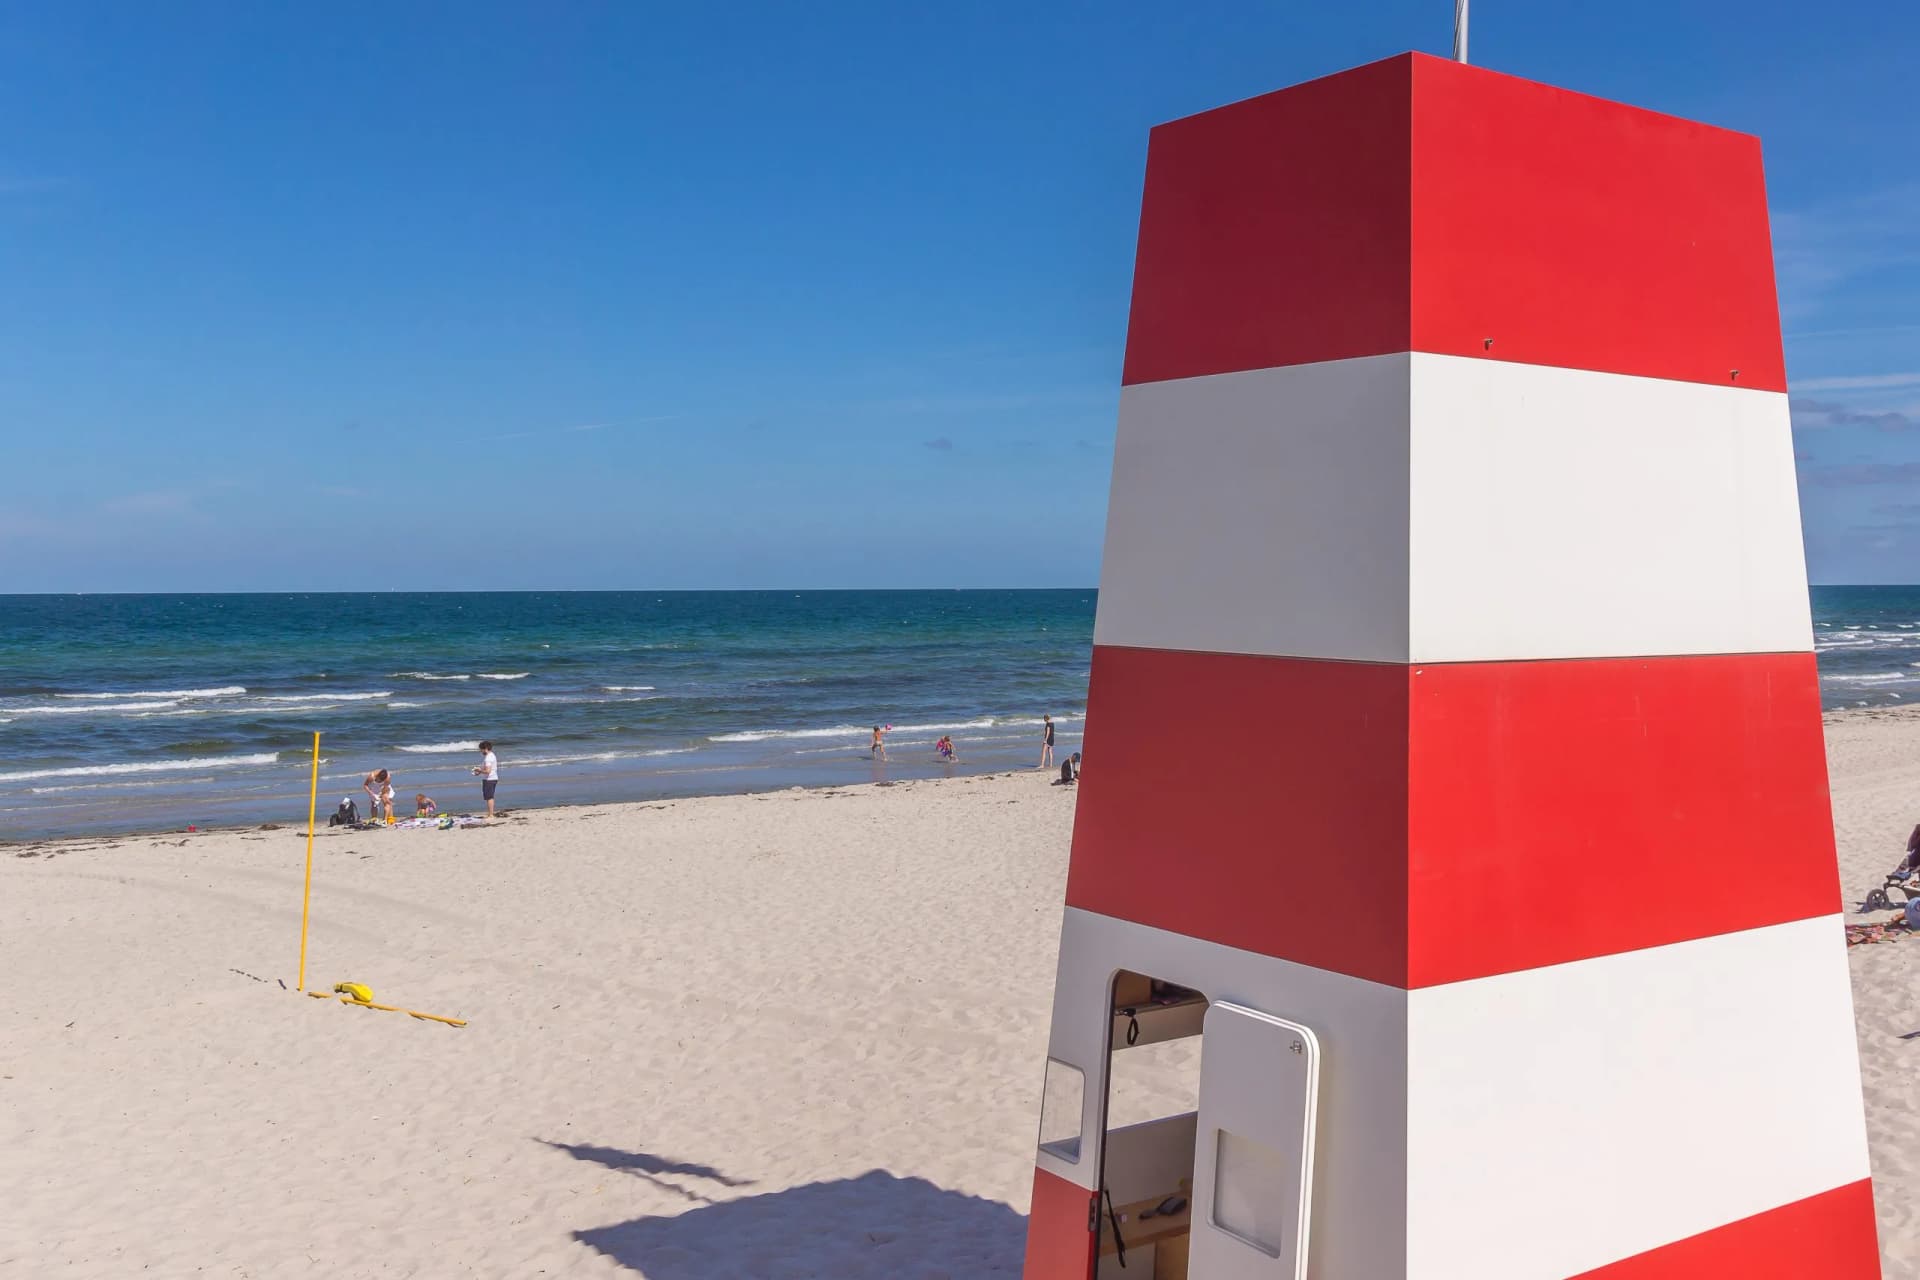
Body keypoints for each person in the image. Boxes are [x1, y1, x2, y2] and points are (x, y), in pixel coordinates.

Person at [471, 740, 499, 819]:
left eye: (481, 749)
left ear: (485, 748)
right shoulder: (491, 755)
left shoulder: (488, 758)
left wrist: (479, 770)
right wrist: (479, 771)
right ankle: (490, 813)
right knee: (489, 797)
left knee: (489, 797)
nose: (480, 751)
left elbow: (488, 771)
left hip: (490, 779)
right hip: (492, 778)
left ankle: (491, 814)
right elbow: (487, 769)